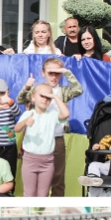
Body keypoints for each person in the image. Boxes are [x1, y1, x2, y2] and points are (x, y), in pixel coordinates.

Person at [17, 58, 83, 197]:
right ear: (43, 73)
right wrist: (27, 87)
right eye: (50, 73)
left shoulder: (63, 91)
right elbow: (21, 100)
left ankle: (55, 209)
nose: (54, 76)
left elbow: (78, 90)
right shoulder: (38, 89)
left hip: (57, 138)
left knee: (58, 178)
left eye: (57, 73)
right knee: (34, 183)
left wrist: (66, 72)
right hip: (37, 140)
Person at [16, 83, 70, 197]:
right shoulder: (28, 113)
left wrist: (55, 97)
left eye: (48, 97)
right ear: (33, 97)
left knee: (43, 195)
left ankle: (40, 214)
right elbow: (17, 129)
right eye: (42, 96)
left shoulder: (52, 115)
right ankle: (29, 215)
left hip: (47, 161)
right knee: (29, 193)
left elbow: (66, 114)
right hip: (30, 159)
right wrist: (25, 122)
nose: (45, 99)